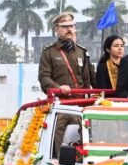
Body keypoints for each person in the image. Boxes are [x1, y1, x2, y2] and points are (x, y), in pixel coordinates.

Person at [38, 12, 95, 156]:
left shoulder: (82, 52)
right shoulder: (49, 52)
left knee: (90, 131)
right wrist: (58, 88)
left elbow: (91, 78)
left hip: (81, 103)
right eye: (65, 27)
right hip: (61, 103)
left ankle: (85, 159)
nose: (69, 29)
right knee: (56, 130)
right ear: (56, 29)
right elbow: (44, 77)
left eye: (72, 26)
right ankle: (55, 159)